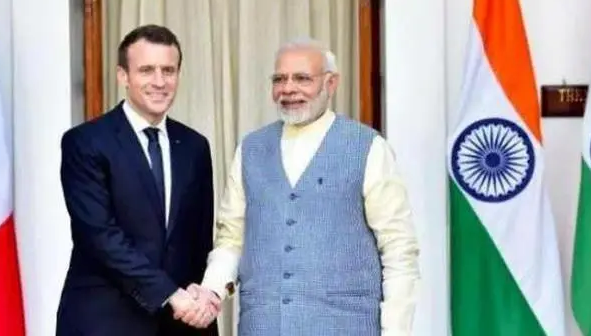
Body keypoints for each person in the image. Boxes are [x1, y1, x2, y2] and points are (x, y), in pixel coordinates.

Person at [190, 38, 420, 335]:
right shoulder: (250, 149)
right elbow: (231, 240)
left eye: (302, 78)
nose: (288, 89)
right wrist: (211, 291)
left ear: (331, 83)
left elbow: (399, 249)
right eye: (279, 79)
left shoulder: (368, 148)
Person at [56, 25, 219, 335]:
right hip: (106, 321)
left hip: (181, 324)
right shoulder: (86, 142)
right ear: (123, 76)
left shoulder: (195, 146)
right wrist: (171, 295)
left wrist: (203, 300)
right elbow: (101, 237)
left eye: (168, 70)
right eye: (147, 70)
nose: (159, 82)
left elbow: (198, 241)